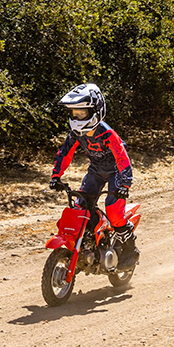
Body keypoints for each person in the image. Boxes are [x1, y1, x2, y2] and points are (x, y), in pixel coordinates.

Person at [48, 83, 139, 271]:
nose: (77, 116)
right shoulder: (76, 134)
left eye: (82, 112)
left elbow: (122, 157)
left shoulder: (107, 133)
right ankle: (88, 245)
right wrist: (56, 176)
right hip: (96, 171)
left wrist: (125, 184)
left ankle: (131, 250)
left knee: (113, 211)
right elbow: (65, 153)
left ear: (96, 110)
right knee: (80, 207)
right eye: (74, 112)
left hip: (115, 172)